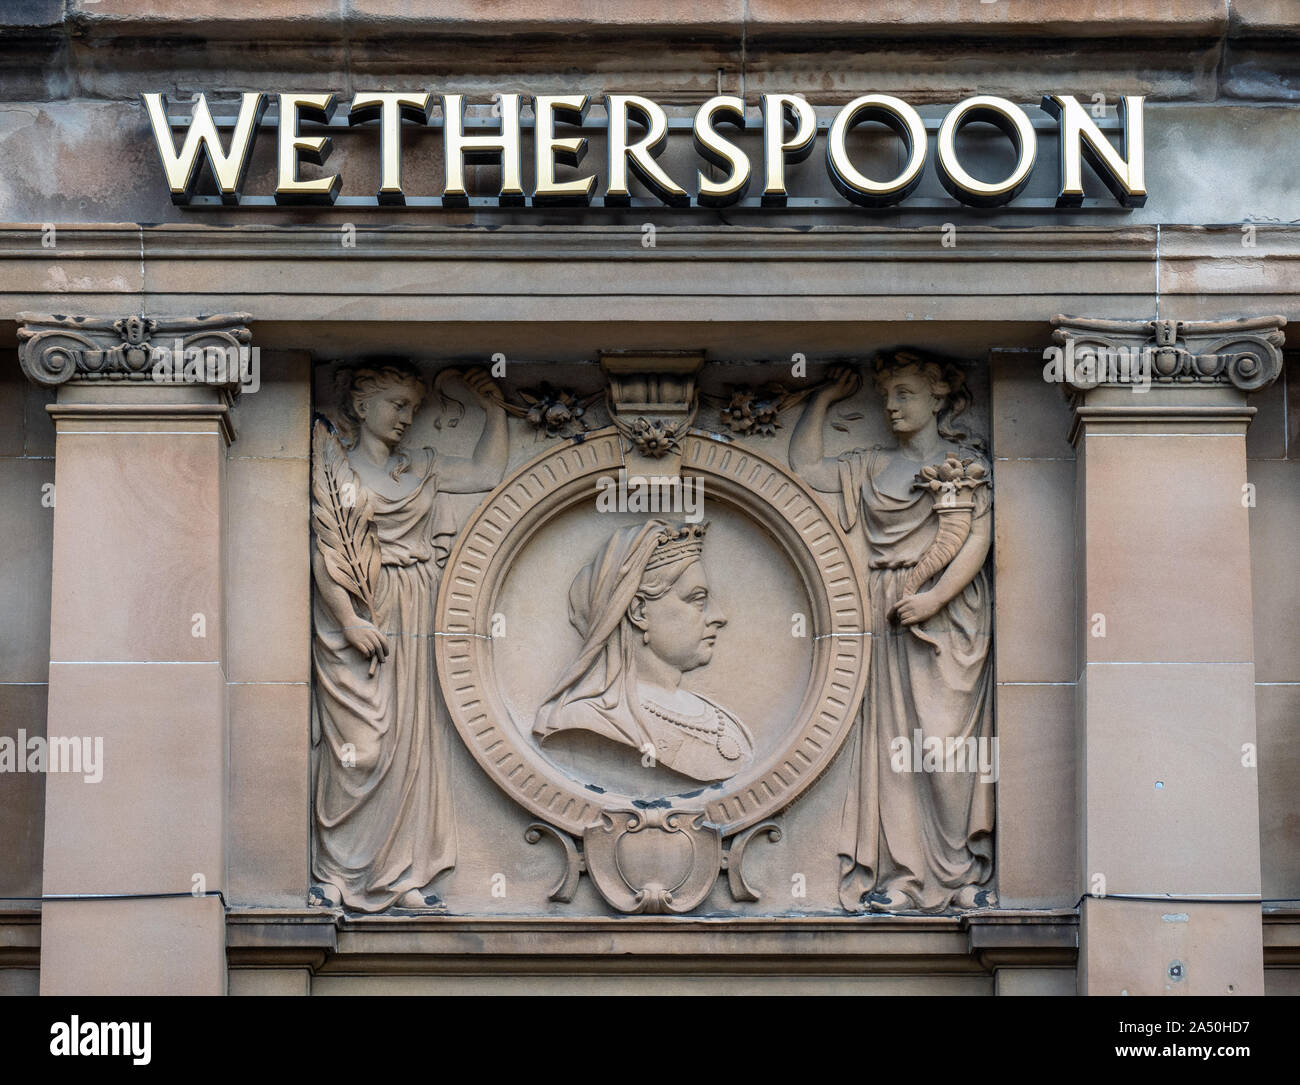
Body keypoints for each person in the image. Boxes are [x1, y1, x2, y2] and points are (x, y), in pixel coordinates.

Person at [790, 351, 995, 912]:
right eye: (886, 396)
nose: (891, 405)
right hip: (884, 612)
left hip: (947, 615)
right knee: (892, 749)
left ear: (937, 398)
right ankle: (906, 875)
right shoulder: (873, 465)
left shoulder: (961, 464)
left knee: (942, 743)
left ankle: (957, 871)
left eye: (904, 392)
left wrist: (934, 596)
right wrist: (823, 401)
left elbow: (974, 538)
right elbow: (806, 469)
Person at [310, 360, 508, 912]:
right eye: (397, 405)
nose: (406, 418)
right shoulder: (338, 476)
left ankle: (399, 876)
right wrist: (350, 620)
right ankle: (336, 870)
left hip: (417, 603)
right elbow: (327, 555)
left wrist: (493, 411)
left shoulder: (418, 468)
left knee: (410, 743)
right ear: (360, 406)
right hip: (362, 613)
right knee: (363, 748)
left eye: (413, 409)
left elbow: (485, 473)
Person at [534, 520, 754, 784]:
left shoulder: (724, 721)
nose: (718, 617)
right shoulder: (585, 722)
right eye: (697, 599)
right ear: (639, 611)